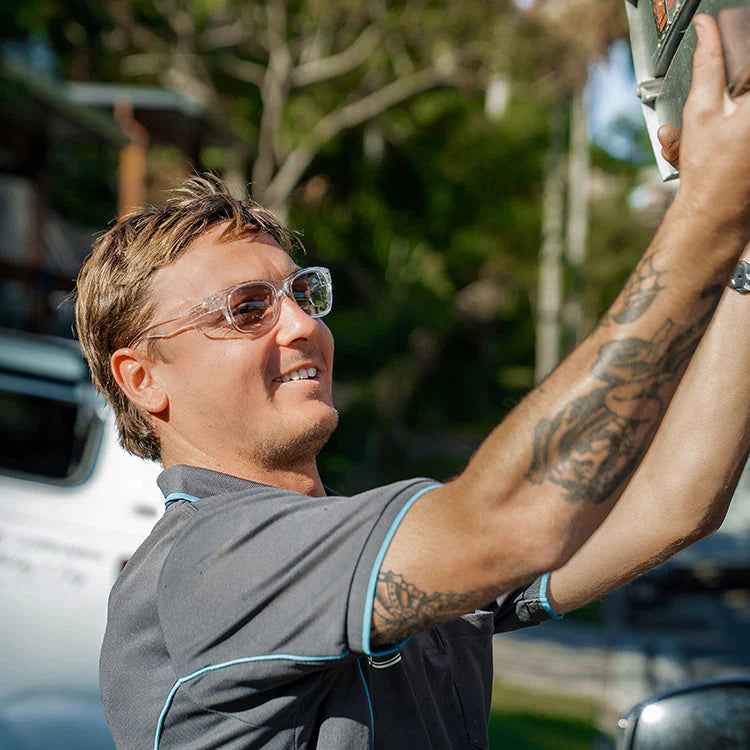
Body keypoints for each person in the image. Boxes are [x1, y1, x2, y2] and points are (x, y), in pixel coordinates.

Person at [75, 15, 750, 750]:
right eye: (246, 310)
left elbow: (673, 502)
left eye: (301, 293)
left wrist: (741, 247)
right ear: (143, 379)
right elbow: (512, 518)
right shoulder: (205, 568)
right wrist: (705, 216)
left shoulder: (368, 549)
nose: (300, 325)